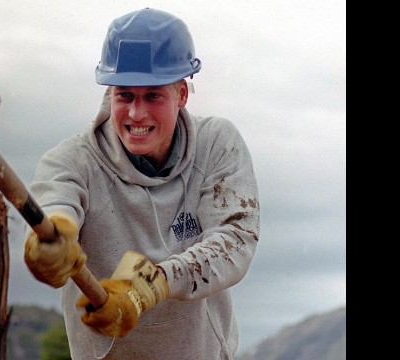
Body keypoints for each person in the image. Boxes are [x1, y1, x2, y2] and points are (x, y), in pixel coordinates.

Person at [23, 7, 260, 359]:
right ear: (109, 93)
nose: (137, 113)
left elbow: (236, 239)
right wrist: (58, 231)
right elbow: (59, 200)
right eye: (125, 96)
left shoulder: (216, 144)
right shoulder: (73, 160)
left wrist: (154, 283)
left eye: (153, 96)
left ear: (182, 94)